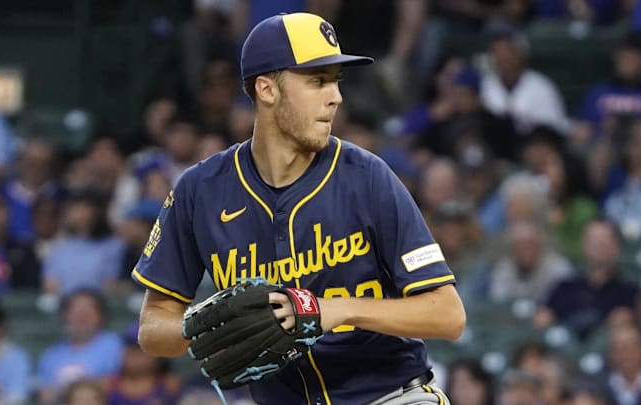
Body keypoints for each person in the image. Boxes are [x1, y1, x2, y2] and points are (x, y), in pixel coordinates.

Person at [133, 12, 465, 405]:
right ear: (266, 90)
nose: (336, 96)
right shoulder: (200, 191)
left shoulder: (367, 177)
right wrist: (202, 327)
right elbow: (152, 327)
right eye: (317, 81)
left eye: (336, 81)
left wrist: (336, 309)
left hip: (388, 395)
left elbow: (447, 315)